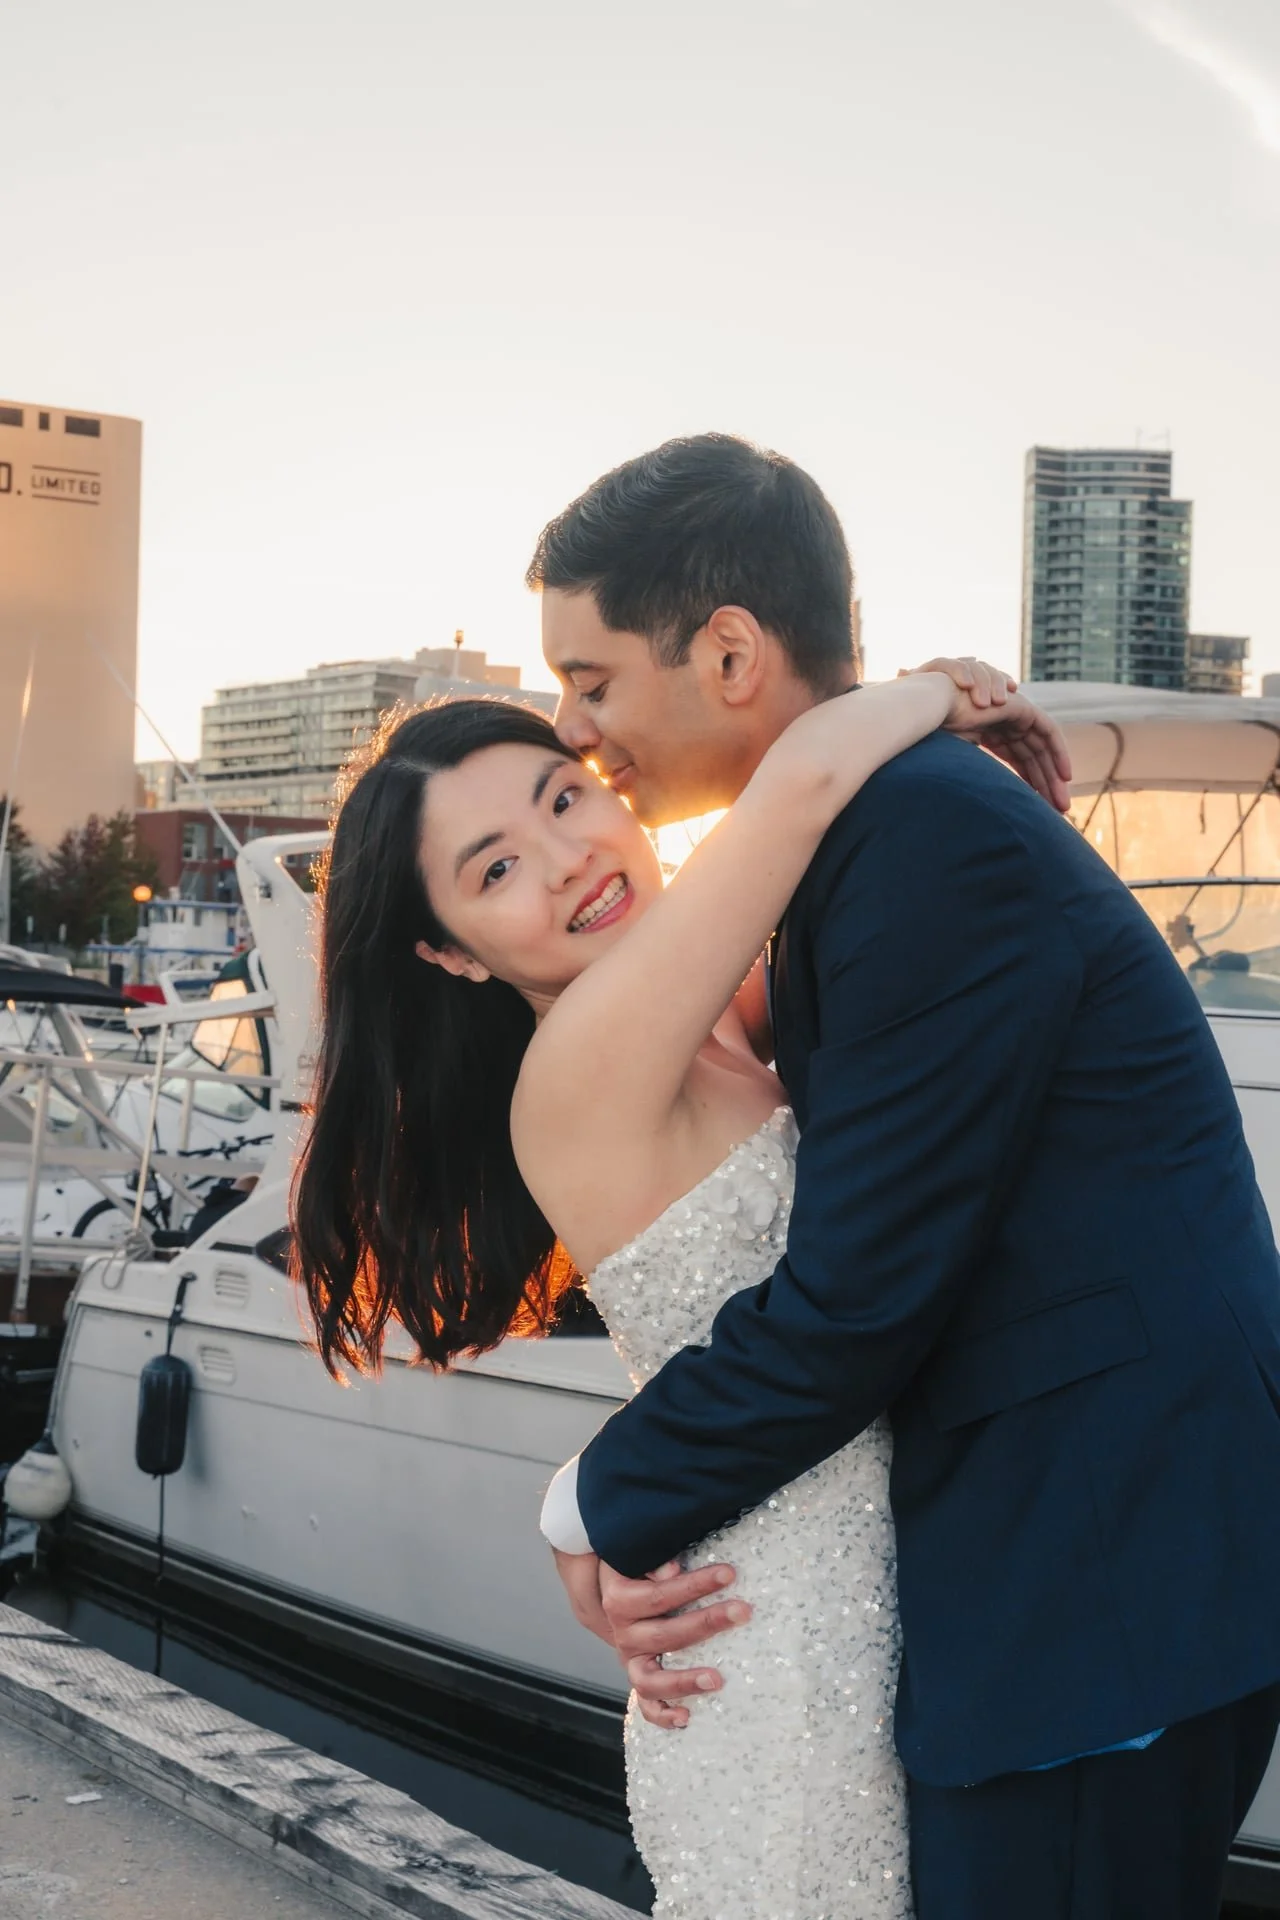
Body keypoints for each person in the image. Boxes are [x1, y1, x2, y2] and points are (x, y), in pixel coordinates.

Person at [529, 434, 1280, 1920]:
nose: (577, 729)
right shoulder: (874, 833)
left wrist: (589, 1505)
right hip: (1073, 1565)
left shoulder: (924, 841)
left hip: (1101, 1577)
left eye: (594, 678)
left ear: (730, 653)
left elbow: (863, 1295)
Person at [291, 647, 1063, 1917]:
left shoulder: (703, 1017)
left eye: (562, 797)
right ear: (449, 956)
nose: (568, 861)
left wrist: (584, 1498)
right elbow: (804, 780)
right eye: (494, 870)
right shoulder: (586, 1061)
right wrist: (944, 688)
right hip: (761, 1648)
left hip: (843, 1596)